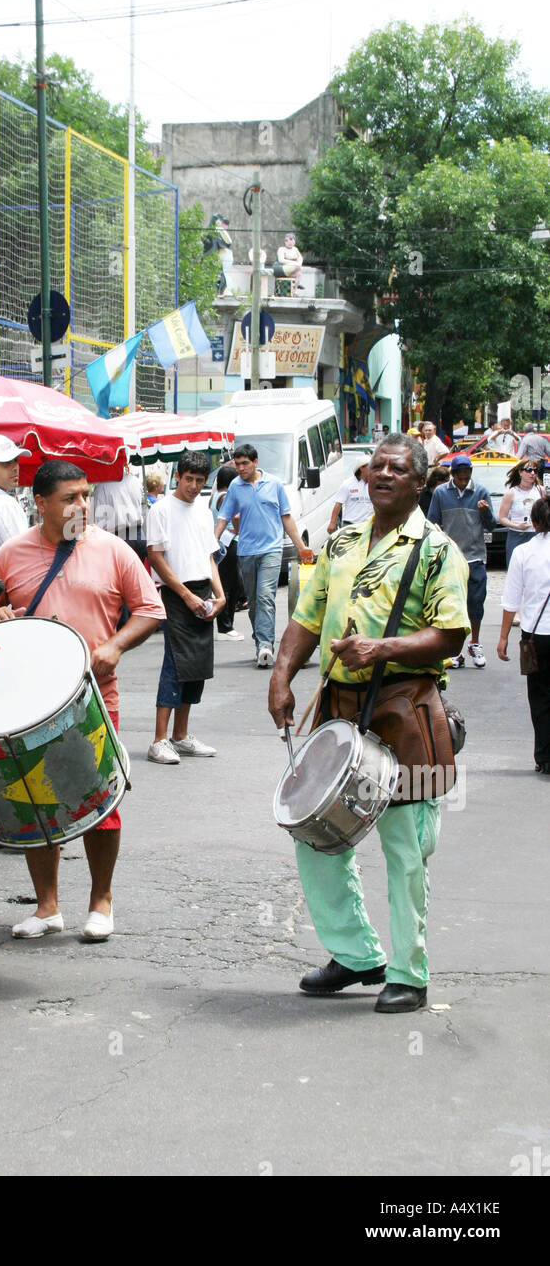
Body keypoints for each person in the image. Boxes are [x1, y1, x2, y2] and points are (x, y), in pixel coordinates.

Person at [269, 434, 469, 1014]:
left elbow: (451, 633)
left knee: (405, 848)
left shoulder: (436, 551)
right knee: (318, 837)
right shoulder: (341, 542)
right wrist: (282, 675)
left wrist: (381, 648)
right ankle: (356, 955)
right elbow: (306, 620)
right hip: (341, 709)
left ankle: (409, 971)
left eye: (397, 469)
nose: (382, 474)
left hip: (405, 711)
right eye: (375, 466)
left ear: (419, 483)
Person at [0, 460, 165, 941]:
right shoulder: (11, 553)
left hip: (92, 696)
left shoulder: (113, 550)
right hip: (23, 703)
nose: (82, 506)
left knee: (99, 798)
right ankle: (47, 907)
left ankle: (101, 901)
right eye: (70, 498)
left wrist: (116, 646)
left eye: (85, 495)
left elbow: (150, 609)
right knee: (34, 804)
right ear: (40, 504)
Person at [145, 450, 225, 764]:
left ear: (206, 482)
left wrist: (220, 595)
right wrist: (185, 595)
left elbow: (209, 557)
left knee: (196, 668)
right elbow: (155, 556)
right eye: (188, 478)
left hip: (204, 589)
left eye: (199, 480)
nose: (192, 485)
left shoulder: (204, 511)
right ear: (178, 476)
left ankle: (180, 736)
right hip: (176, 593)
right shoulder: (161, 509)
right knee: (176, 665)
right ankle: (159, 740)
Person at [213, 442, 314, 668]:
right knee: (255, 602)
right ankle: (260, 641)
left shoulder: (274, 484)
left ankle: (266, 645)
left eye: (245, 463)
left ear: (255, 462)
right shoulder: (235, 489)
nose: (240, 468)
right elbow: (223, 518)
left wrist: (301, 546)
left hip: (271, 550)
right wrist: (211, 542)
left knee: (266, 596)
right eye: (237, 464)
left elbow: (286, 517)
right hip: (247, 551)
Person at [427, 454, 495, 668]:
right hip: (451, 558)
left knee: (476, 603)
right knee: (454, 605)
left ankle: (475, 643)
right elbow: (432, 522)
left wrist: (485, 513)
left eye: (467, 478)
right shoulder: (440, 493)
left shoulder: (481, 492)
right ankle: (455, 650)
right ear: (453, 475)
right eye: (460, 478)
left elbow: (491, 525)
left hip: (475, 556)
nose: (464, 482)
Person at [497, 499, 550, 773]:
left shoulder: (523, 552)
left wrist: (503, 637)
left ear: (535, 521)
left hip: (535, 635)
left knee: (540, 696)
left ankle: (544, 755)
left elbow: (511, 600)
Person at [210, 463, 243, 640]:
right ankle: (225, 626)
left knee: (229, 584)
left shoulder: (215, 496)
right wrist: (238, 528)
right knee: (229, 586)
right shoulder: (226, 497)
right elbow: (236, 517)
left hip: (221, 544)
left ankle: (226, 624)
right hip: (229, 544)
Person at [498, 458, 547, 566]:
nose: (532, 473)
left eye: (535, 470)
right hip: (517, 536)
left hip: (536, 534)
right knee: (516, 567)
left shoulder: (540, 490)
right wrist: (517, 526)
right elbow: (502, 518)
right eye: (529, 470)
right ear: (520, 472)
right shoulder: (511, 493)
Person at [327, 459, 373, 533]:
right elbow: (338, 504)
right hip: (350, 525)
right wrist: (332, 523)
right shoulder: (348, 484)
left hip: (368, 526)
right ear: (361, 468)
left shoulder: (374, 484)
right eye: (370, 467)